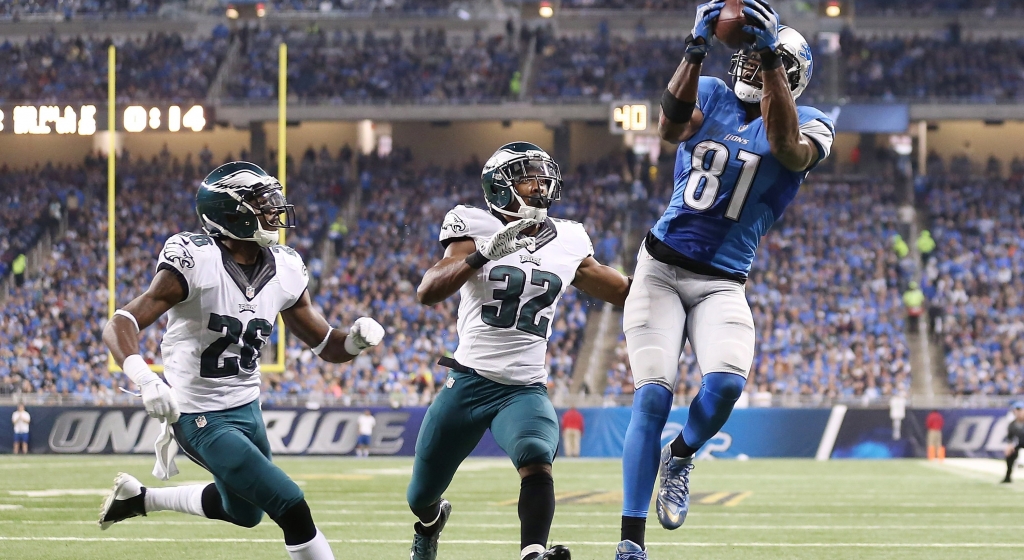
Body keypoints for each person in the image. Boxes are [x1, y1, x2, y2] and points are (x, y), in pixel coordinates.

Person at [615, 1, 835, 558]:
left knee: (728, 385)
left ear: (790, 74)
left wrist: (770, 58)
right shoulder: (711, 92)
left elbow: (786, 149)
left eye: (768, 61)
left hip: (722, 282)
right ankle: (630, 543)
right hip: (661, 269)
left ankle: (682, 455)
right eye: (752, 56)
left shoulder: (813, 122)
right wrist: (694, 49)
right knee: (653, 397)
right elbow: (667, 129)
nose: (753, 66)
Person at [97, 161, 385, 560]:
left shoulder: (285, 267)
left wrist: (353, 341)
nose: (275, 211)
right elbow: (121, 322)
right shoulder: (195, 261)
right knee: (290, 504)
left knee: (246, 513)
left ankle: (138, 500)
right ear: (231, 212)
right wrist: (144, 378)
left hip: (247, 408)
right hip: (200, 415)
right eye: (262, 204)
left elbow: (327, 346)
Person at [407, 142, 631, 560]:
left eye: (545, 177)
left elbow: (619, 289)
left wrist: (673, 286)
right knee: (420, 493)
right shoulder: (472, 223)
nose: (541, 186)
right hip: (469, 382)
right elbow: (428, 291)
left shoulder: (568, 237)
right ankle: (431, 521)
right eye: (529, 177)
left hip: (523, 388)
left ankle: (532, 553)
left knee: (536, 457)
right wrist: (485, 252)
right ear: (500, 187)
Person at [1004, 402, 1024, 483]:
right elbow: (1010, 438)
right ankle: (1008, 477)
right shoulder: (1012, 424)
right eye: (1016, 410)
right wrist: (1009, 445)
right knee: (1010, 454)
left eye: (1020, 410)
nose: (1018, 413)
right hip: (1019, 443)